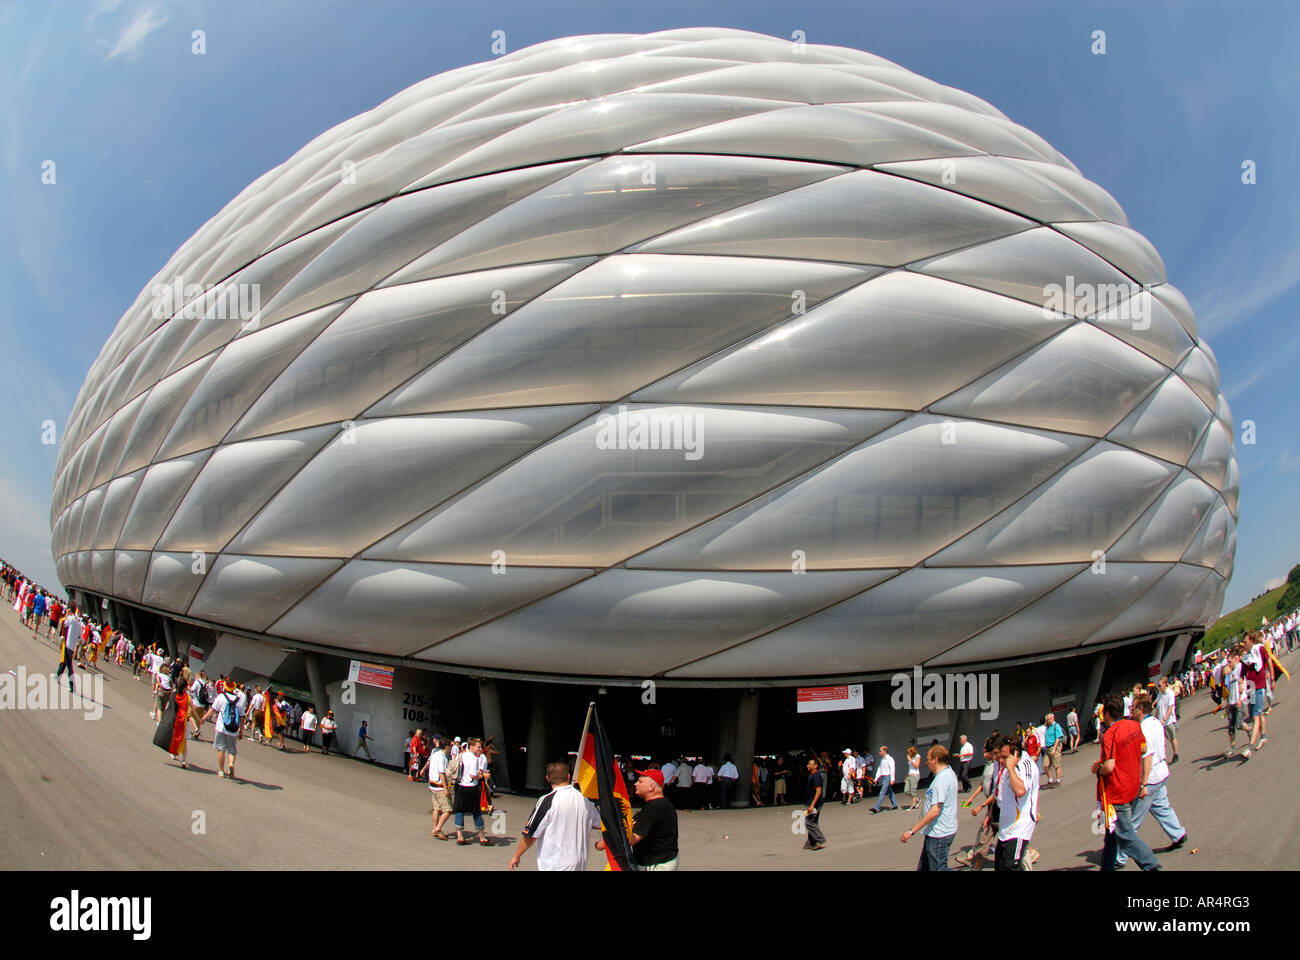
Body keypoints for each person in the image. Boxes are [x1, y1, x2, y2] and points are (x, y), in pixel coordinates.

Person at [1115, 693, 1187, 867]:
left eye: (1133, 707)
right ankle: (1178, 834)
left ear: (1140, 709)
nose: (1130, 710)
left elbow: (1147, 755)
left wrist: (1143, 784)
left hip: (1151, 777)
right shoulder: (1155, 722)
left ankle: (1119, 857)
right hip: (1161, 772)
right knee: (1162, 807)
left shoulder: (1143, 728)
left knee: (1131, 822)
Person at [1092, 694, 1159, 871]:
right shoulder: (1134, 725)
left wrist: (1097, 769)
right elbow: (1143, 748)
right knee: (1111, 834)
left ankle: (1150, 864)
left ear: (1107, 713)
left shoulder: (1110, 734)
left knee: (1125, 835)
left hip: (1115, 793)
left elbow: (1109, 766)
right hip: (1132, 786)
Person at [510, 760, 603, 870]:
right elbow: (604, 823)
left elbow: (531, 833)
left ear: (547, 779)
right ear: (568, 777)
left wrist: (516, 855)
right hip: (579, 864)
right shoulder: (585, 800)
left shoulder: (547, 800)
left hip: (555, 864)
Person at [901, 745, 958, 870]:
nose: (926, 763)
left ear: (935, 760)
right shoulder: (947, 773)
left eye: (928, 759)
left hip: (940, 834)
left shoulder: (942, 779)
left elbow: (935, 811)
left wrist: (912, 831)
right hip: (935, 832)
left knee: (938, 868)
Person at [991, 733, 1039, 871]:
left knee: (1010, 867)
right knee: (1000, 867)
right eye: (1000, 756)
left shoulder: (1025, 765)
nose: (1001, 760)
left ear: (1015, 753)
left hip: (1019, 829)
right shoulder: (1006, 769)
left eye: (1004, 757)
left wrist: (1011, 768)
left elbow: (1020, 791)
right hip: (1006, 829)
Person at [202, 678, 243, 781]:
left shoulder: (221, 697)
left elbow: (213, 710)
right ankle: (231, 764)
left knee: (221, 749)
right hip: (233, 729)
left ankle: (221, 770)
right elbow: (242, 717)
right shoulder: (239, 701)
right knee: (232, 750)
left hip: (222, 727)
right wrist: (241, 731)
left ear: (225, 686)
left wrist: (204, 718)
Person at [451, 738, 490, 845]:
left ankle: (460, 836)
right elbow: (473, 775)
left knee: (460, 810)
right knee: (476, 811)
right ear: (471, 747)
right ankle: (482, 837)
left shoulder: (463, 755)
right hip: (470, 787)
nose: (480, 749)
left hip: (460, 786)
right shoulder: (473, 758)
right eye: (478, 747)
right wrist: (483, 776)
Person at [153, 667, 192, 768]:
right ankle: (183, 760)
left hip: (175, 717)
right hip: (184, 719)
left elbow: (172, 701)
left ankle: (173, 752)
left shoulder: (177, 688)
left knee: (175, 736)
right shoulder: (187, 694)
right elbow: (191, 707)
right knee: (184, 741)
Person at [422, 736, 454, 841]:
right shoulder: (442, 757)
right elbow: (442, 773)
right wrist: (446, 788)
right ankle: (438, 829)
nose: (451, 748)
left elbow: (429, 763)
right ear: (446, 747)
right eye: (450, 746)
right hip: (439, 786)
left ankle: (434, 828)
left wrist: (423, 770)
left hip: (432, 784)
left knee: (437, 808)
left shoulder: (435, 754)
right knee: (448, 809)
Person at [802, 757, 826, 851]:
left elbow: (818, 791)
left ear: (815, 766)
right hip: (812, 802)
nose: (807, 766)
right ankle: (813, 843)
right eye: (807, 764)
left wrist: (812, 805)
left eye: (809, 764)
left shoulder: (816, 776)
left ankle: (820, 839)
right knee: (813, 822)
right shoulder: (812, 775)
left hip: (815, 803)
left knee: (808, 822)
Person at [1155, 677, 1179, 763]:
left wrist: (1165, 719)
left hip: (1169, 721)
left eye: (1160, 685)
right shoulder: (1159, 694)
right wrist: (1155, 719)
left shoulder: (1170, 693)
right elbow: (1158, 708)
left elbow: (1170, 707)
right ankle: (1162, 758)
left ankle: (1176, 754)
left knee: (1172, 738)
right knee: (1162, 740)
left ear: (1165, 684)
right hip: (1161, 722)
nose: (1159, 687)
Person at [870, 746, 898, 813]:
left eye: (880, 751)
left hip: (887, 777)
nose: (879, 752)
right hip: (883, 777)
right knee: (889, 791)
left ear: (884, 751)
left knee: (882, 792)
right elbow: (879, 769)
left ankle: (876, 807)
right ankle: (895, 804)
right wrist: (876, 778)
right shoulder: (882, 760)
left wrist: (892, 779)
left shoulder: (890, 759)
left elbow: (892, 769)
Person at [1042, 713, 1064, 786]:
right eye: (1048, 719)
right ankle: (1050, 780)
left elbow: (1058, 738)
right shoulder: (1047, 727)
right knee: (1045, 765)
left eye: (1051, 718)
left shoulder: (1056, 726)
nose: (1050, 720)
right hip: (1047, 748)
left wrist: (1054, 749)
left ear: (1053, 718)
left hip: (1054, 747)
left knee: (1056, 765)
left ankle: (1058, 780)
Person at [905, 746, 922, 810]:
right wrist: (907, 776)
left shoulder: (917, 756)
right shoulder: (910, 757)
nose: (908, 754)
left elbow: (917, 766)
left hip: (915, 775)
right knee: (906, 791)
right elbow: (910, 768)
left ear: (913, 752)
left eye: (909, 752)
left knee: (913, 791)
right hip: (910, 775)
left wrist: (910, 760)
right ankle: (917, 800)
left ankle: (913, 805)